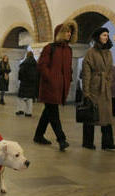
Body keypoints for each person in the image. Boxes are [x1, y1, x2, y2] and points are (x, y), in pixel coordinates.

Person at [33, 20, 78, 151]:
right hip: (50, 86)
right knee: (53, 113)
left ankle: (38, 135)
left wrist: (68, 77)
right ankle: (61, 139)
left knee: (48, 112)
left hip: (61, 87)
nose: (69, 34)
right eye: (66, 31)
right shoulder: (50, 47)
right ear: (60, 33)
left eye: (70, 31)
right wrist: (51, 78)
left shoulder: (69, 50)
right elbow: (42, 65)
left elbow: (68, 68)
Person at [81, 27, 115, 150]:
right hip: (94, 88)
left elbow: (110, 70)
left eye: (107, 35)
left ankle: (107, 143)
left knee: (107, 115)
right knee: (91, 114)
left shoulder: (109, 52)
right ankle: (87, 142)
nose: (106, 37)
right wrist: (86, 91)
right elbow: (86, 73)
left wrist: (109, 80)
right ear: (98, 37)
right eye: (103, 35)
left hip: (105, 88)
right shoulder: (91, 52)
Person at [16, 51, 39, 117]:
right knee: (30, 99)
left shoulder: (24, 63)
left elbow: (20, 73)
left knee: (20, 97)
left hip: (24, 83)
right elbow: (38, 74)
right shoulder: (35, 64)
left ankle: (21, 110)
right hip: (32, 84)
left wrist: (21, 79)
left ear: (27, 55)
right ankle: (29, 112)